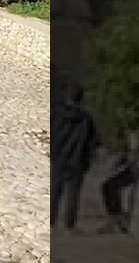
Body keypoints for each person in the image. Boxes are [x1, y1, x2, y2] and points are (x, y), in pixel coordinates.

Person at [54, 84, 100, 232]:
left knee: (55, 191)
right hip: (78, 159)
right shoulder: (87, 119)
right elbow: (92, 142)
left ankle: (51, 222)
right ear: (81, 98)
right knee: (73, 194)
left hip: (59, 158)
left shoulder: (56, 116)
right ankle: (69, 225)